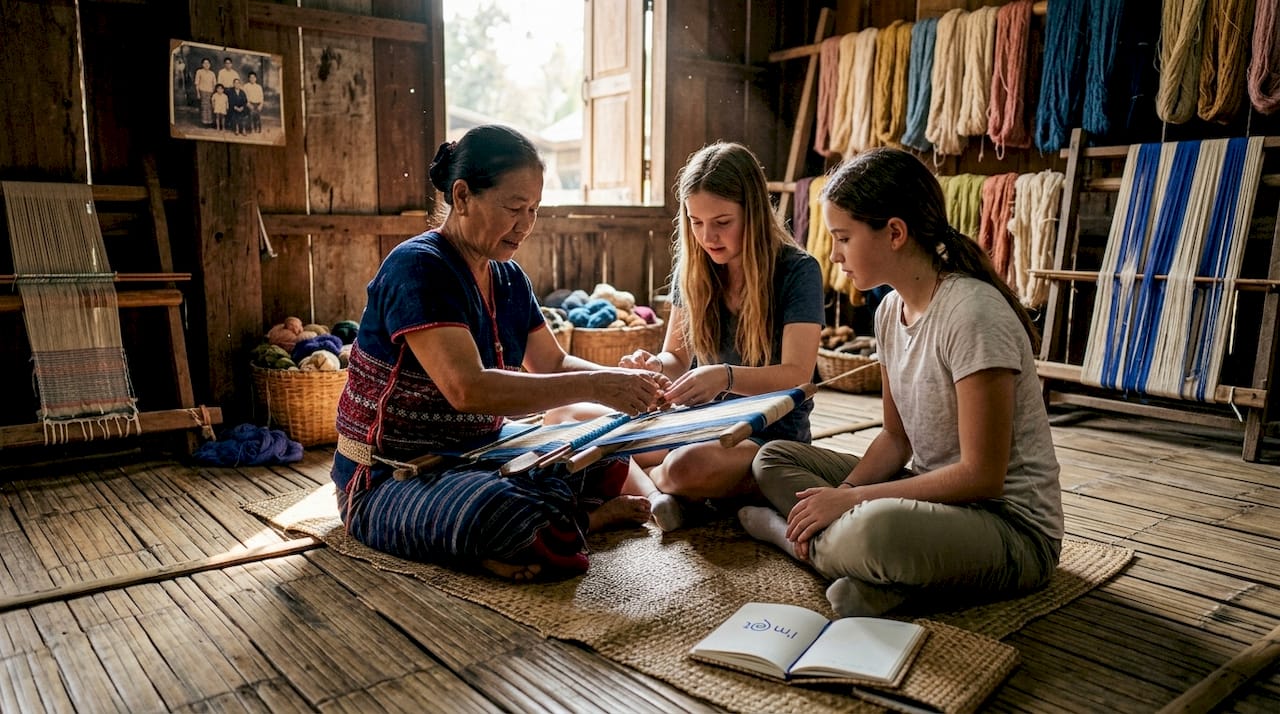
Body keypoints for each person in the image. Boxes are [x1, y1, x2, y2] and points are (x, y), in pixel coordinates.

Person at [331, 124, 669, 582]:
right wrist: (596, 386)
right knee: (502, 513)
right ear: (463, 195)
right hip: (388, 478)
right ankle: (580, 521)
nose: (525, 225)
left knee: (603, 453)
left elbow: (553, 363)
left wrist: (629, 385)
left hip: (484, 454)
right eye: (514, 207)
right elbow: (466, 389)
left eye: (533, 209)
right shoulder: (419, 267)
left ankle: (546, 525)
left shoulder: (509, 280)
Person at [739, 147, 1063, 618]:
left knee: (876, 530)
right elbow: (896, 438)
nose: (835, 255)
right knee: (771, 459)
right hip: (934, 498)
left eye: (843, 238)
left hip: (1011, 528)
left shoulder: (973, 314)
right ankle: (893, 583)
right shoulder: (891, 311)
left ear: (894, 233)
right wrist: (839, 497)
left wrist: (850, 501)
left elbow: (982, 476)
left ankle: (785, 537)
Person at [544, 142, 824, 531]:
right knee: (564, 418)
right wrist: (652, 366)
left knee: (687, 466)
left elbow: (798, 374)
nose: (708, 236)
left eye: (722, 222)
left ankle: (638, 481)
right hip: (693, 423)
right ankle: (658, 497)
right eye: (696, 222)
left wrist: (725, 377)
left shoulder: (797, 271)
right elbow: (675, 359)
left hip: (764, 436)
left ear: (754, 213)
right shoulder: (694, 268)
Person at [194, 58, 216, 127]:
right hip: (202, 91)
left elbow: (214, 84)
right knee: (204, 107)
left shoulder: (212, 73)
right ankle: (204, 122)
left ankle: (209, 122)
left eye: (208, 63)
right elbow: (197, 83)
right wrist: (198, 93)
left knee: (210, 107)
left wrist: (214, 93)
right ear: (202, 64)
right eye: (205, 63)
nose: (206, 65)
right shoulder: (199, 72)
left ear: (210, 64)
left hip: (210, 92)